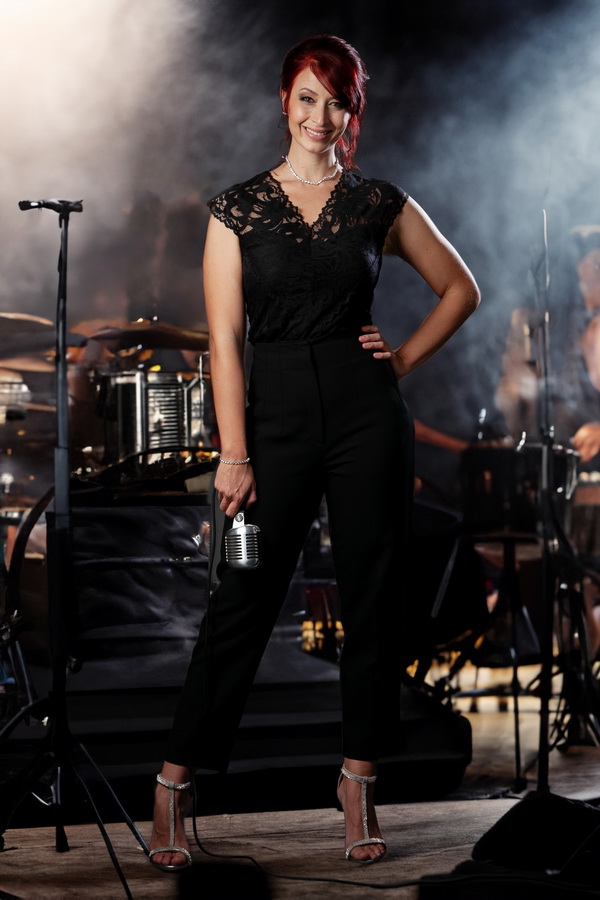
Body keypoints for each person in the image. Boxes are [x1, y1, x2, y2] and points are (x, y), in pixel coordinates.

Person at [149, 34, 480, 871]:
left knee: (374, 603)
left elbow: (461, 288)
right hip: (272, 428)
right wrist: (234, 452)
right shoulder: (236, 210)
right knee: (243, 595)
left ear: (351, 110)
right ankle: (175, 784)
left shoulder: (378, 202)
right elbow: (225, 340)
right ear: (284, 101)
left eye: (336, 101)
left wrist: (400, 361)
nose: (320, 117)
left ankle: (359, 782)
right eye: (307, 97)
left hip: (368, 418)